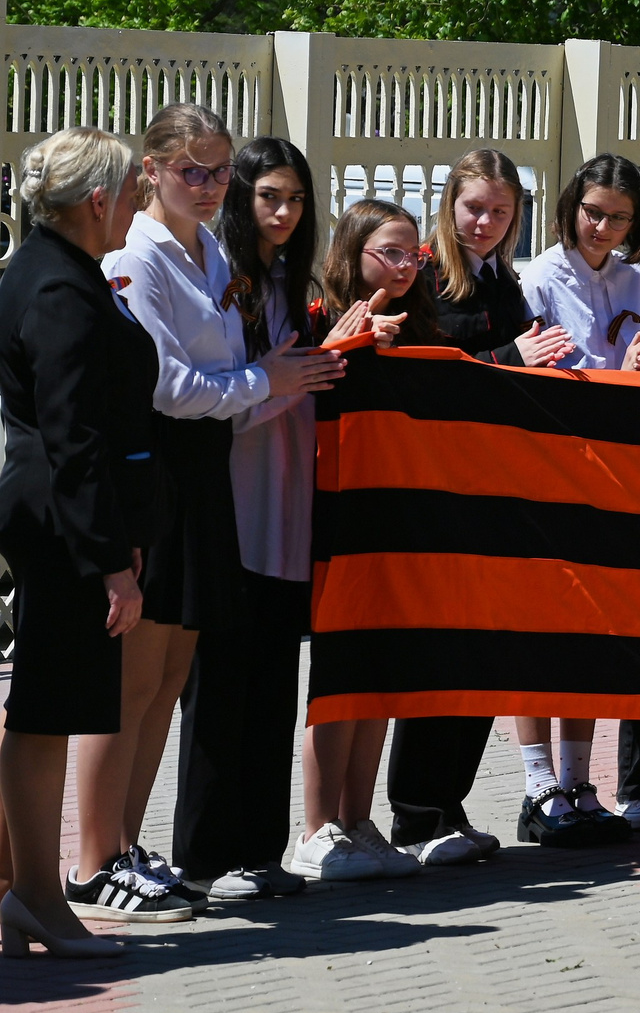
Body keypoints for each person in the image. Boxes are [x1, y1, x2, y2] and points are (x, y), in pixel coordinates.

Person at [96, 104, 346, 906]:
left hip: (236, 497)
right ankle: (122, 852)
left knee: (207, 682)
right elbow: (174, 388)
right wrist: (269, 381)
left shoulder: (211, 256)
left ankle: (183, 847)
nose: (208, 187)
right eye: (191, 171)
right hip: (185, 485)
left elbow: (243, 380)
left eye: (217, 171)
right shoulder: (142, 257)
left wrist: (279, 375)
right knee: (157, 685)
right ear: (151, 169)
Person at [222, 153, 418, 885]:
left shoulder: (396, 313)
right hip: (305, 521)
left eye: (297, 198)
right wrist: (338, 353)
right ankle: (312, 828)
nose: (402, 265)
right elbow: (269, 394)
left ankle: (351, 817)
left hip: (375, 523)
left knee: (373, 673)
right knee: (325, 675)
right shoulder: (309, 312)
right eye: (387, 251)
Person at [382, 149, 571, 867]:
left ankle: (448, 803)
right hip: (438, 498)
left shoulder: (504, 281)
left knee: (483, 653)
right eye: (474, 208)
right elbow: (422, 380)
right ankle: (416, 811)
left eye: (500, 210)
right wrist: (512, 360)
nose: (486, 223)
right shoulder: (421, 278)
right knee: (442, 654)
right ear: (449, 205)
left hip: (494, 494)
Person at [0, 129, 159, 956]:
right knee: (46, 710)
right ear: (97, 200)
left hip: (56, 513)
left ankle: (20, 887)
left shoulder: (46, 268)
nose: (139, 201)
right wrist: (110, 560)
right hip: (63, 522)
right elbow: (74, 436)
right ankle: (37, 894)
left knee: (39, 708)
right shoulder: (59, 286)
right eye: (133, 188)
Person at [512, 154, 640, 845]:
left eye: (619, 217)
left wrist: (634, 370)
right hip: (549, 468)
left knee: (593, 632)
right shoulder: (539, 277)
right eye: (593, 212)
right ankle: (536, 782)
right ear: (571, 205)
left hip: (609, 472)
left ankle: (580, 780)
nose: (603, 226)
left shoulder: (637, 280)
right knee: (541, 630)